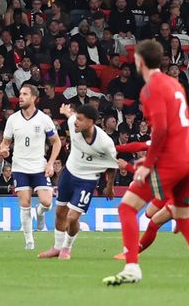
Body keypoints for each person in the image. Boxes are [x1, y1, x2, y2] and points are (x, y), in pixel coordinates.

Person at [103, 38, 189, 289]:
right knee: (185, 220)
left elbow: (162, 129)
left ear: (140, 61)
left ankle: (132, 267)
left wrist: (148, 163)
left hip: (172, 160)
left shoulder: (151, 88)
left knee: (127, 207)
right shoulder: (174, 84)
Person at [39, 100, 129, 260]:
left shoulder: (105, 142)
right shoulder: (73, 124)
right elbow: (71, 116)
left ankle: (67, 248)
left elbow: (112, 165)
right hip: (69, 174)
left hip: (87, 181)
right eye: (77, 118)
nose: (76, 122)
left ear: (91, 122)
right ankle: (56, 248)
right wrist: (67, 112)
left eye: (80, 119)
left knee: (72, 217)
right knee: (60, 213)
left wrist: (110, 186)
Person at [0, 80, 60, 250]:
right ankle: (29, 241)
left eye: (25, 94)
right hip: (20, 167)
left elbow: (57, 142)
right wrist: (4, 150)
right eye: (20, 94)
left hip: (39, 166)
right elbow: (5, 143)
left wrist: (51, 163)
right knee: (24, 204)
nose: (20, 98)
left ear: (34, 98)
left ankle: (40, 214)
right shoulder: (13, 120)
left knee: (46, 202)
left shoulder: (44, 119)